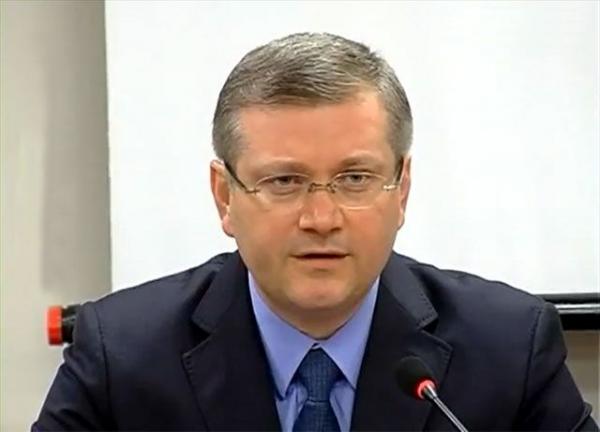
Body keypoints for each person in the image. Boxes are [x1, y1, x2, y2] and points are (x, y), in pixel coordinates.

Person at [33, 32, 597, 432]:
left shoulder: (509, 348)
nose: (321, 218)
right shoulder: (122, 355)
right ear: (225, 196)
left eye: (355, 179)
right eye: (284, 181)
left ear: (401, 190)